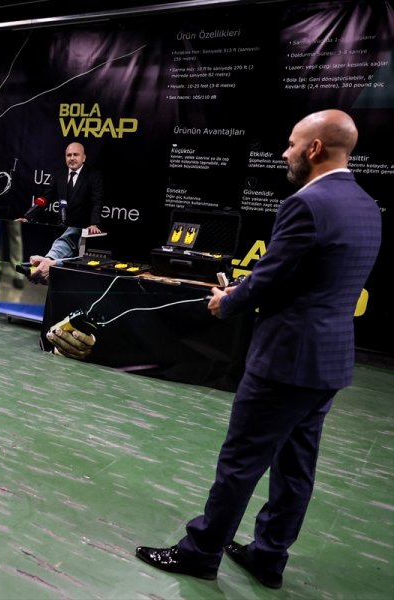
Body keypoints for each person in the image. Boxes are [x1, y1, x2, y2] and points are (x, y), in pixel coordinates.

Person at [127, 109, 381, 588]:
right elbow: (311, 279)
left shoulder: (306, 204)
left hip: (285, 360)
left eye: (291, 144)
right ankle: (268, 556)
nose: (284, 153)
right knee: (296, 468)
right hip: (328, 361)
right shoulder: (366, 205)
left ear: (314, 149)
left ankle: (200, 552)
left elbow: (269, 280)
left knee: (240, 462)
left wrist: (227, 301)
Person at [19, 141, 105, 283]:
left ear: (83, 158)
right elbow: (45, 199)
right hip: (61, 229)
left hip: (82, 233)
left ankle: (49, 265)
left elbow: (97, 202)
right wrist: (27, 217)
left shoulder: (93, 176)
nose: (72, 158)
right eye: (68, 155)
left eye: (75, 155)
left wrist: (94, 223)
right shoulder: (59, 175)